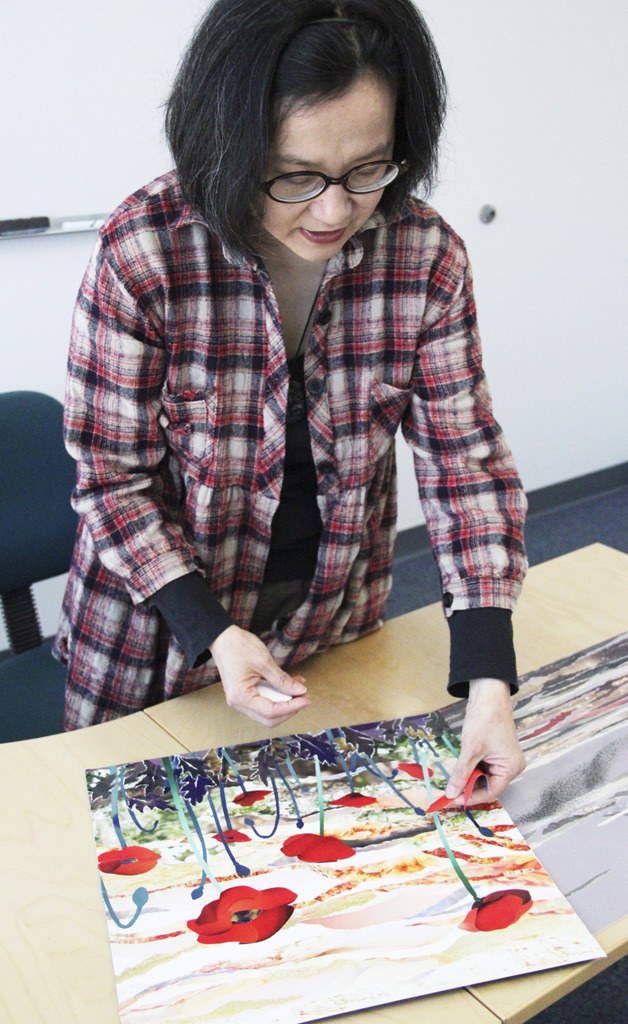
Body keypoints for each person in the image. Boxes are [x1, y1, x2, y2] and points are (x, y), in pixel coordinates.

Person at [54, 0, 528, 805]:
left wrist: (490, 679)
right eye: (295, 176)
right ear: (229, 148)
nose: (335, 211)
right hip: (154, 638)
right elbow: (111, 481)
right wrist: (213, 633)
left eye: (367, 170)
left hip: (327, 627)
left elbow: (466, 470)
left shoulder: (426, 256)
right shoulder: (147, 250)